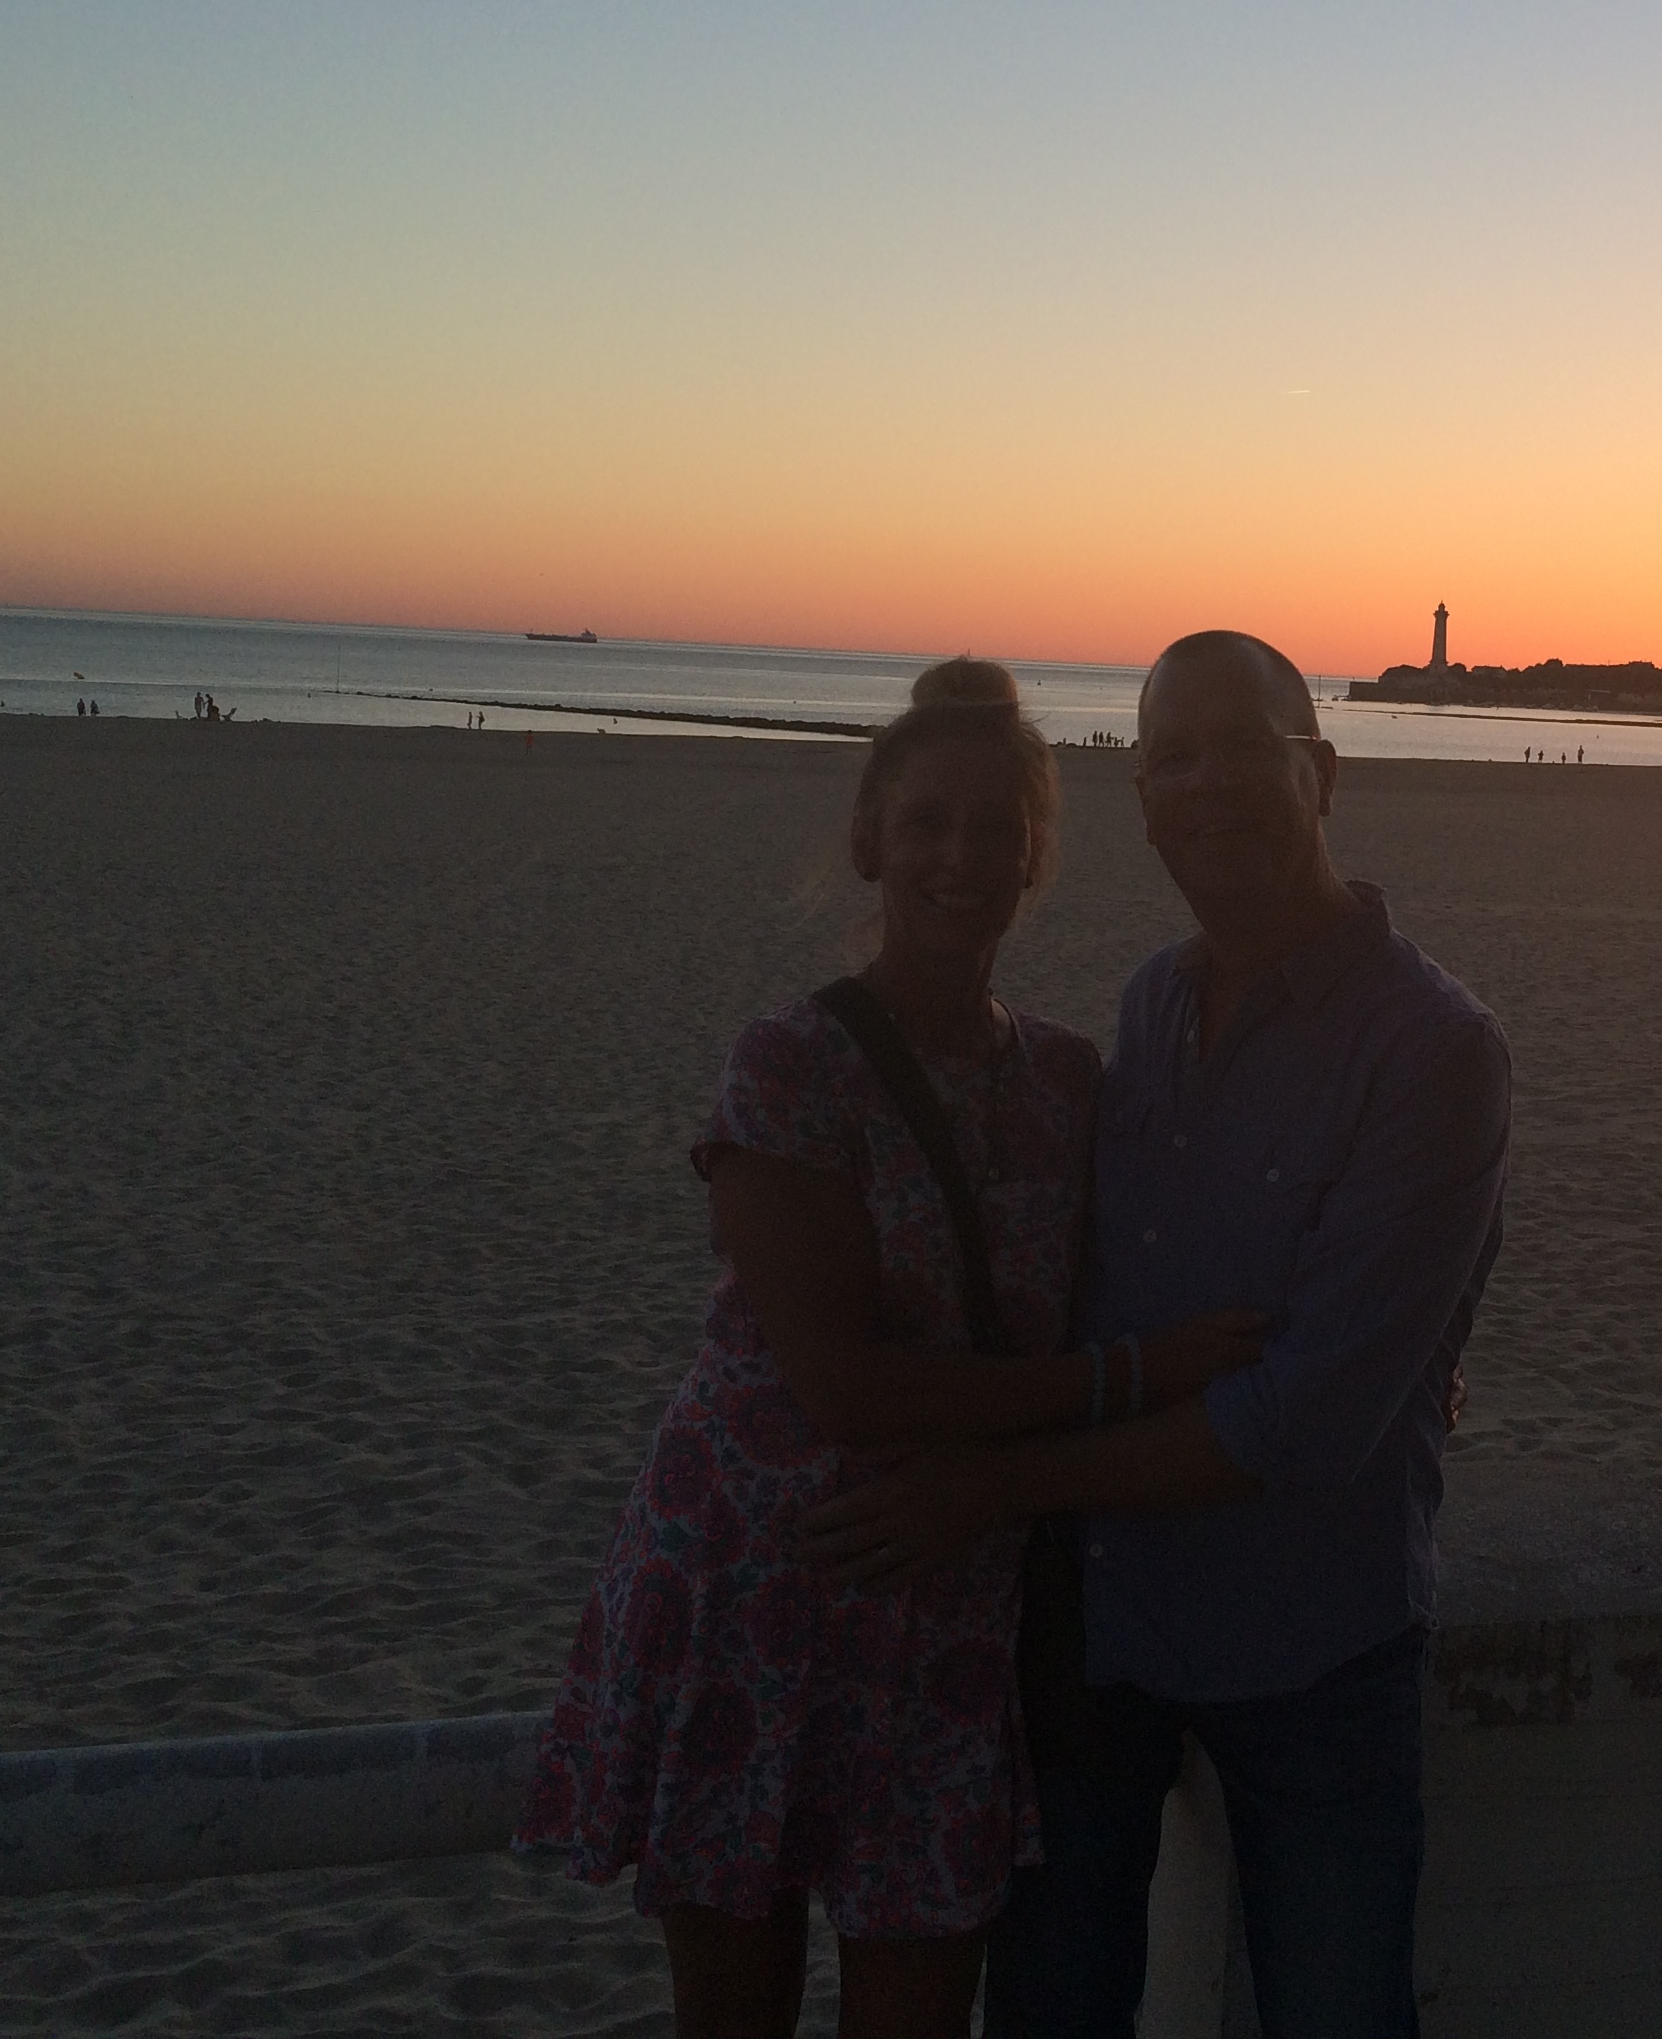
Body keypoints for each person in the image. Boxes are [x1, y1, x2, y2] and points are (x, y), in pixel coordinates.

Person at [519, 658, 1269, 2039]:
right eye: (927, 823)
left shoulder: (1067, 1081)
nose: (959, 858)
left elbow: (1158, 1265)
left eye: (996, 828)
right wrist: (1132, 1379)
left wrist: (1386, 1348)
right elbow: (842, 1384)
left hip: (952, 1621)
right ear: (871, 840)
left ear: (1037, 855)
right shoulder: (787, 1065)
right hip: (760, 1582)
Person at [805, 629, 1511, 2039]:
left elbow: (1301, 1423)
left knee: (1335, 2009)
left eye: (1246, 745)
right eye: (1172, 757)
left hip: (1312, 1645)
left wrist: (993, 1487)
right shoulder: (1151, 1003)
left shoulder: (1433, 1049)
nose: (1209, 782)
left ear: (1322, 773)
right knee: (1052, 2005)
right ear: (1140, 804)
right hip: (1103, 1631)